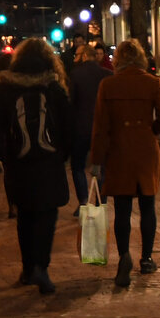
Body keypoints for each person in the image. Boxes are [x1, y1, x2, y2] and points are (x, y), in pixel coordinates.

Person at [0, 36, 74, 295]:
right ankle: (41, 267)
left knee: (25, 217)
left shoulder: (7, 88)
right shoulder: (53, 87)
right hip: (49, 162)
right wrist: (66, 155)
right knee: (47, 216)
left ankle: (27, 267)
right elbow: (68, 125)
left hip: (19, 164)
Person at [89, 39, 160, 289]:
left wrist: (97, 160)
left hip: (119, 150)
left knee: (122, 208)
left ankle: (124, 255)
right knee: (148, 204)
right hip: (146, 148)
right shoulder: (153, 82)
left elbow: (101, 126)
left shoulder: (108, 85)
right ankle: (147, 258)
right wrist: (152, 130)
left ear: (118, 61)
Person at [65, 40, 111, 207]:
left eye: (77, 55)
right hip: (102, 127)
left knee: (77, 165)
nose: (75, 58)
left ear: (84, 56)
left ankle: (83, 201)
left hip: (81, 128)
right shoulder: (106, 74)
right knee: (101, 165)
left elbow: (72, 102)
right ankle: (101, 201)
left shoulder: (76, 74)